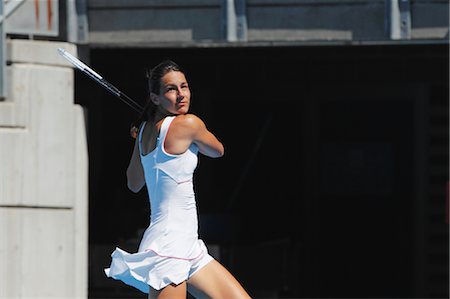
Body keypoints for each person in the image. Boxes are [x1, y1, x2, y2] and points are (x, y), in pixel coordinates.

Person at [104, 60, 252, 299]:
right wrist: (192, 138)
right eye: (172, 89)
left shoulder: (143, 132)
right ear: (155, 98)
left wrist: (139, 137)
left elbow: (134, 184)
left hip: (189, 245)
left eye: (184, 86)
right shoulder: (189, 123)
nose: (181, 94)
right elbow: (218, 150)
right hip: (169, 246)